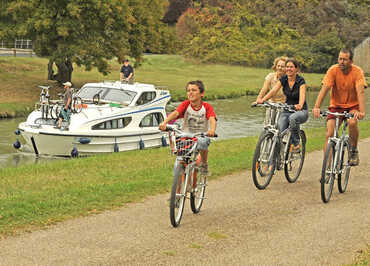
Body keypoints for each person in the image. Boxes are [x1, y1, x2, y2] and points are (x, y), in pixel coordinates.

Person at [312, 48, 367, 166]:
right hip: (336, 106)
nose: (341, 62)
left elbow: (360, 92)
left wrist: (362, 111)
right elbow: (325, 89)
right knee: (329, 133)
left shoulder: (357, 72)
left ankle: (353, 151)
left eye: (345, 59)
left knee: (352, 123)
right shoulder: (333, 70)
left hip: (353, 106)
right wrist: (316, 106)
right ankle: (327, 168)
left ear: (351, 61)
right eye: (340, 59)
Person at [159, 80, 217, 175]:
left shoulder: (207, 107)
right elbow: (175, 113)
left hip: (201, 136)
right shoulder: (185, 105)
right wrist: (164, 123)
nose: (190, 92)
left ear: (201, 93)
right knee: (178, 164)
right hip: (186, 136)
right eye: (188, 90)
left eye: (194, 90)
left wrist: (212, 130)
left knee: (202, 142)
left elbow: (212, 119)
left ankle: (204, 164)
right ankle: (178, 188)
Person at [257, 58, 308, 150]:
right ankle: (276, 159)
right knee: (279, 132)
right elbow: (273, 91)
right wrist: (262, 100)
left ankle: (296, 143)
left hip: (301, 110)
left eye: (291, 67)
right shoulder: (284, 79)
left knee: (293, 118)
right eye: (287, 67)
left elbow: (302, 97)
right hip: (287, 109)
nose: (288, 69)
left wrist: (299, 105)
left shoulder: (301, 81)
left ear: (296, 69)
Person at [255, 56, 288, 125]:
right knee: (268, 126)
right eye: (278, 66)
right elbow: (264, 89)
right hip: (272, 103)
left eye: (282, 66)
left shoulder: (289, 78)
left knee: (281, 126)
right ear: (275, 66)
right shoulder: (270, 76)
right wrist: (258, 99)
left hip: (285, 105)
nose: (280, 68)